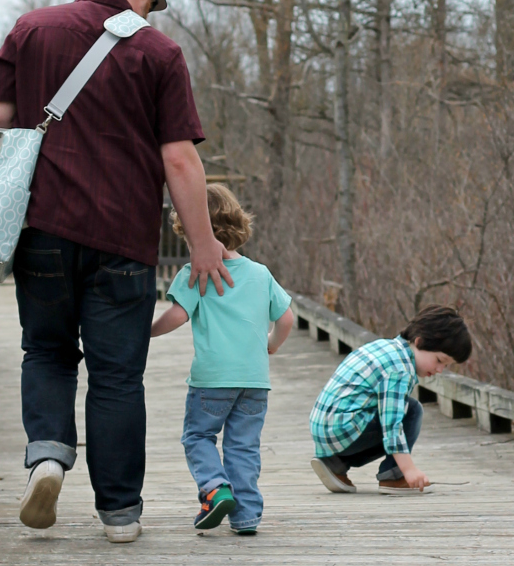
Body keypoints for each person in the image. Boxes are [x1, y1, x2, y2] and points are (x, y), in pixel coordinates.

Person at [0, 0, 233, 544]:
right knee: (118, 376)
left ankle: (46, 455)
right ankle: (119, 514)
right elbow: (179, 159)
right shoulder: (159, 51)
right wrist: (203, 244)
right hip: (123, 239)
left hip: (41, 229)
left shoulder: (32, 29)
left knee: (46, 351)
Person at [150, 185, 294, 537]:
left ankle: (214, 489)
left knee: (198, 436)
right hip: (255, 380)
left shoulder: (195, 271)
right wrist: (271, 345)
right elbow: (287, 318)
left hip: (212, 380)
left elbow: (178, 316)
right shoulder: (261, 273)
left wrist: (144, 333)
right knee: (243, 446)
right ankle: (246, 517)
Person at [309, 307, 472, 494]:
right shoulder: (400, 370)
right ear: (419, 342)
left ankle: (335, 463)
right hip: (342, 429)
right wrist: (408, 469)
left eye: (446, 365)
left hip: (324, 429)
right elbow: (392, 424)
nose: (440, 370)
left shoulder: (385, 347)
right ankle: (393, 476)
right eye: (439, 360)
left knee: (394, 408)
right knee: (412, 410)